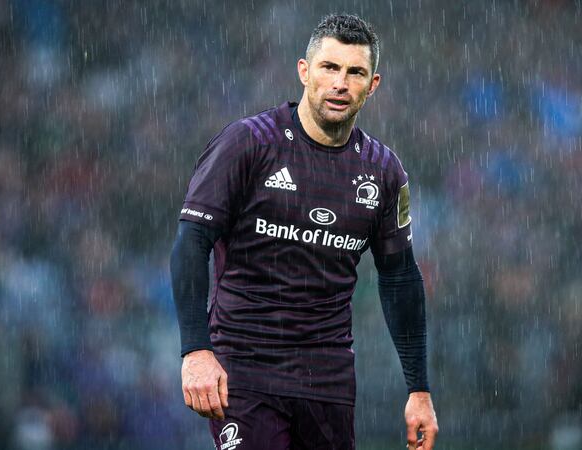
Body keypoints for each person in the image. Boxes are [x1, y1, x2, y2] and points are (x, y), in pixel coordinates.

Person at [170, 13, 438, 450]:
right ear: (304, 71)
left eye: (355, 73)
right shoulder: (249, 144)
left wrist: (419, 390)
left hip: (327, 381)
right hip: (244, 370)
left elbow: (400, 277)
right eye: (330, 68)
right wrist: (195, 351)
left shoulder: (384, 172)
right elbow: (191, 242)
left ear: (372, 86)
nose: (340, 83)